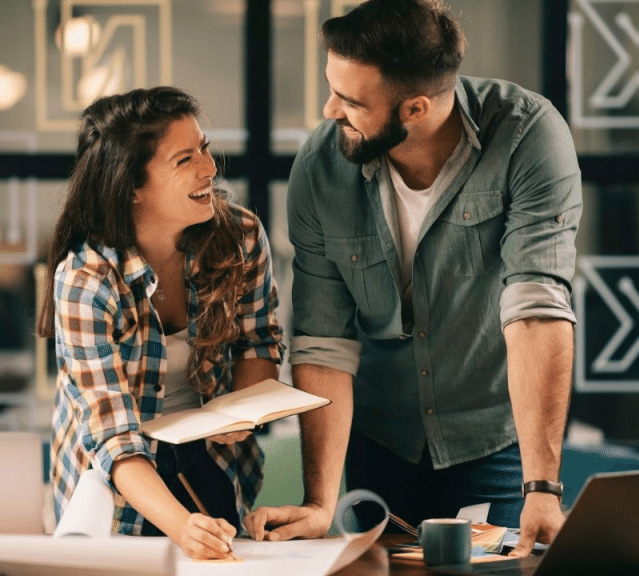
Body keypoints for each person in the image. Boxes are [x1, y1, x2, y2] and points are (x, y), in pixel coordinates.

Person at [244, 0, 581, 557]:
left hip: (493, 442)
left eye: (351, 100)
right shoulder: (321, 167)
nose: (329, 110)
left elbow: (536, 309)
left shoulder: (527, 138)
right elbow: (324, 343)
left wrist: (542, 486)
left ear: (415, 109)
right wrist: (320, 502)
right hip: (380, 441)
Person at [37, 86, 284, 560]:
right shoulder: (86, 280)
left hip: (209, 460)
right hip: (116, 481)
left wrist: (241, 409)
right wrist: (180, 527)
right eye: (184, 159)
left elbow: (259, 342)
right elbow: (114, 437)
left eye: (205, 149)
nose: (209, 168)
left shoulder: (241, 237)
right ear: (132, 185)